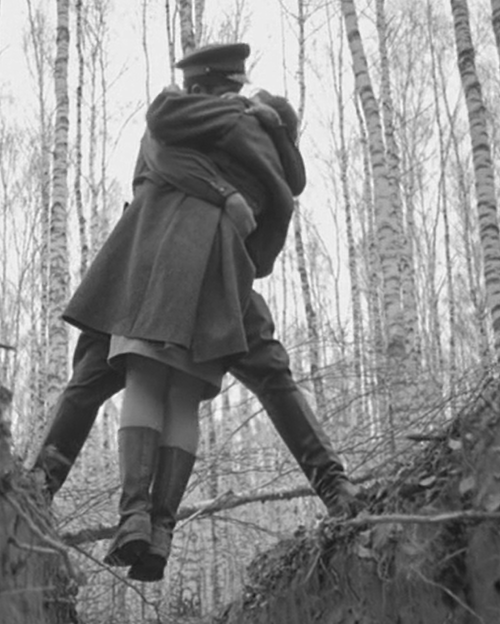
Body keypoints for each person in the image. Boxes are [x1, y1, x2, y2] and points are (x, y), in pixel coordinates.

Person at [45, 44, 358, 580]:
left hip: (151, 262)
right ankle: (333, 487)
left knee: (96, 374)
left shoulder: (190, 118)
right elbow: (277, 204)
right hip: (222, 271)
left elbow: (160, 150)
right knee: (261, 375)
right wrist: (232, 207)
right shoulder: (261, 136)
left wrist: (209, 191)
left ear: (199, 87)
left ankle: (53, 492)